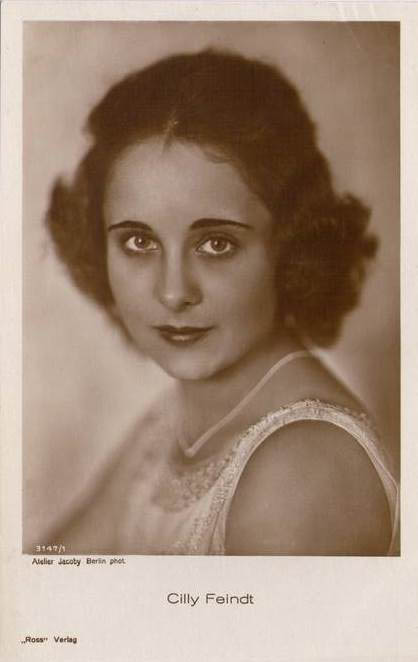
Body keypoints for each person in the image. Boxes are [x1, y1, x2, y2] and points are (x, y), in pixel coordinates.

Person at [46, 49, 398, 556]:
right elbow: (40, 579)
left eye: (216, 244)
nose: (173, 292)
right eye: (139, 242)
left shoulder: (302, 468)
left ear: (291, 247)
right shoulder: (178, 419)